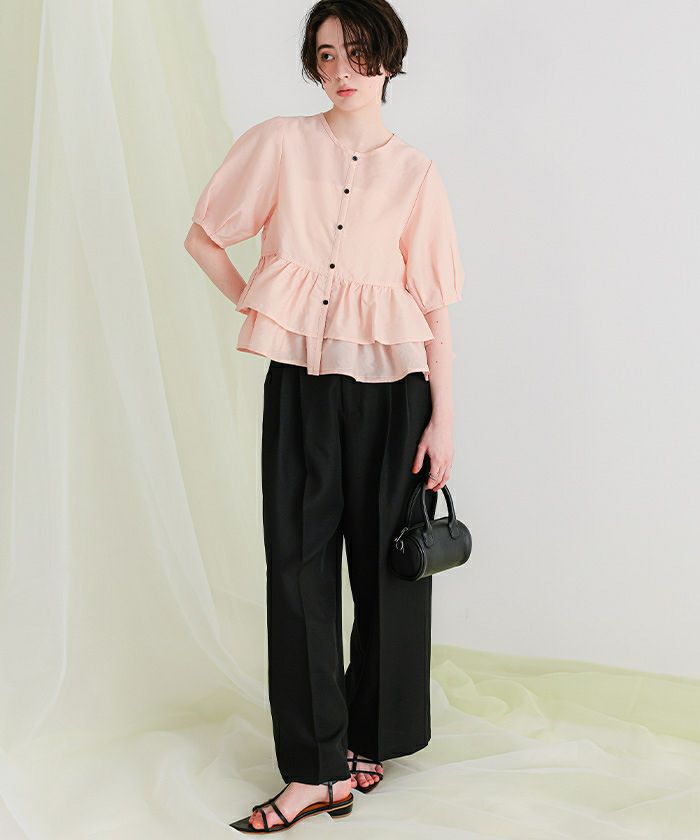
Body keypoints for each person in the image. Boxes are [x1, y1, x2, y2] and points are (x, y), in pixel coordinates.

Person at [184, 0, 464, 832]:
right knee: (296, 568)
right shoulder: (279, 143)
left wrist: (444, 419)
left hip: (397, 390)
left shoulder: (416, 173)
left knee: (387, 571)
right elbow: (204, 237)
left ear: (389, 59)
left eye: (359, 52)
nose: (343, 70)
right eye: (328, 53)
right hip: (303, 382)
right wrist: (267, 309)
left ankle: (372, 738)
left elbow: (434, 307)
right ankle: (315, 770)